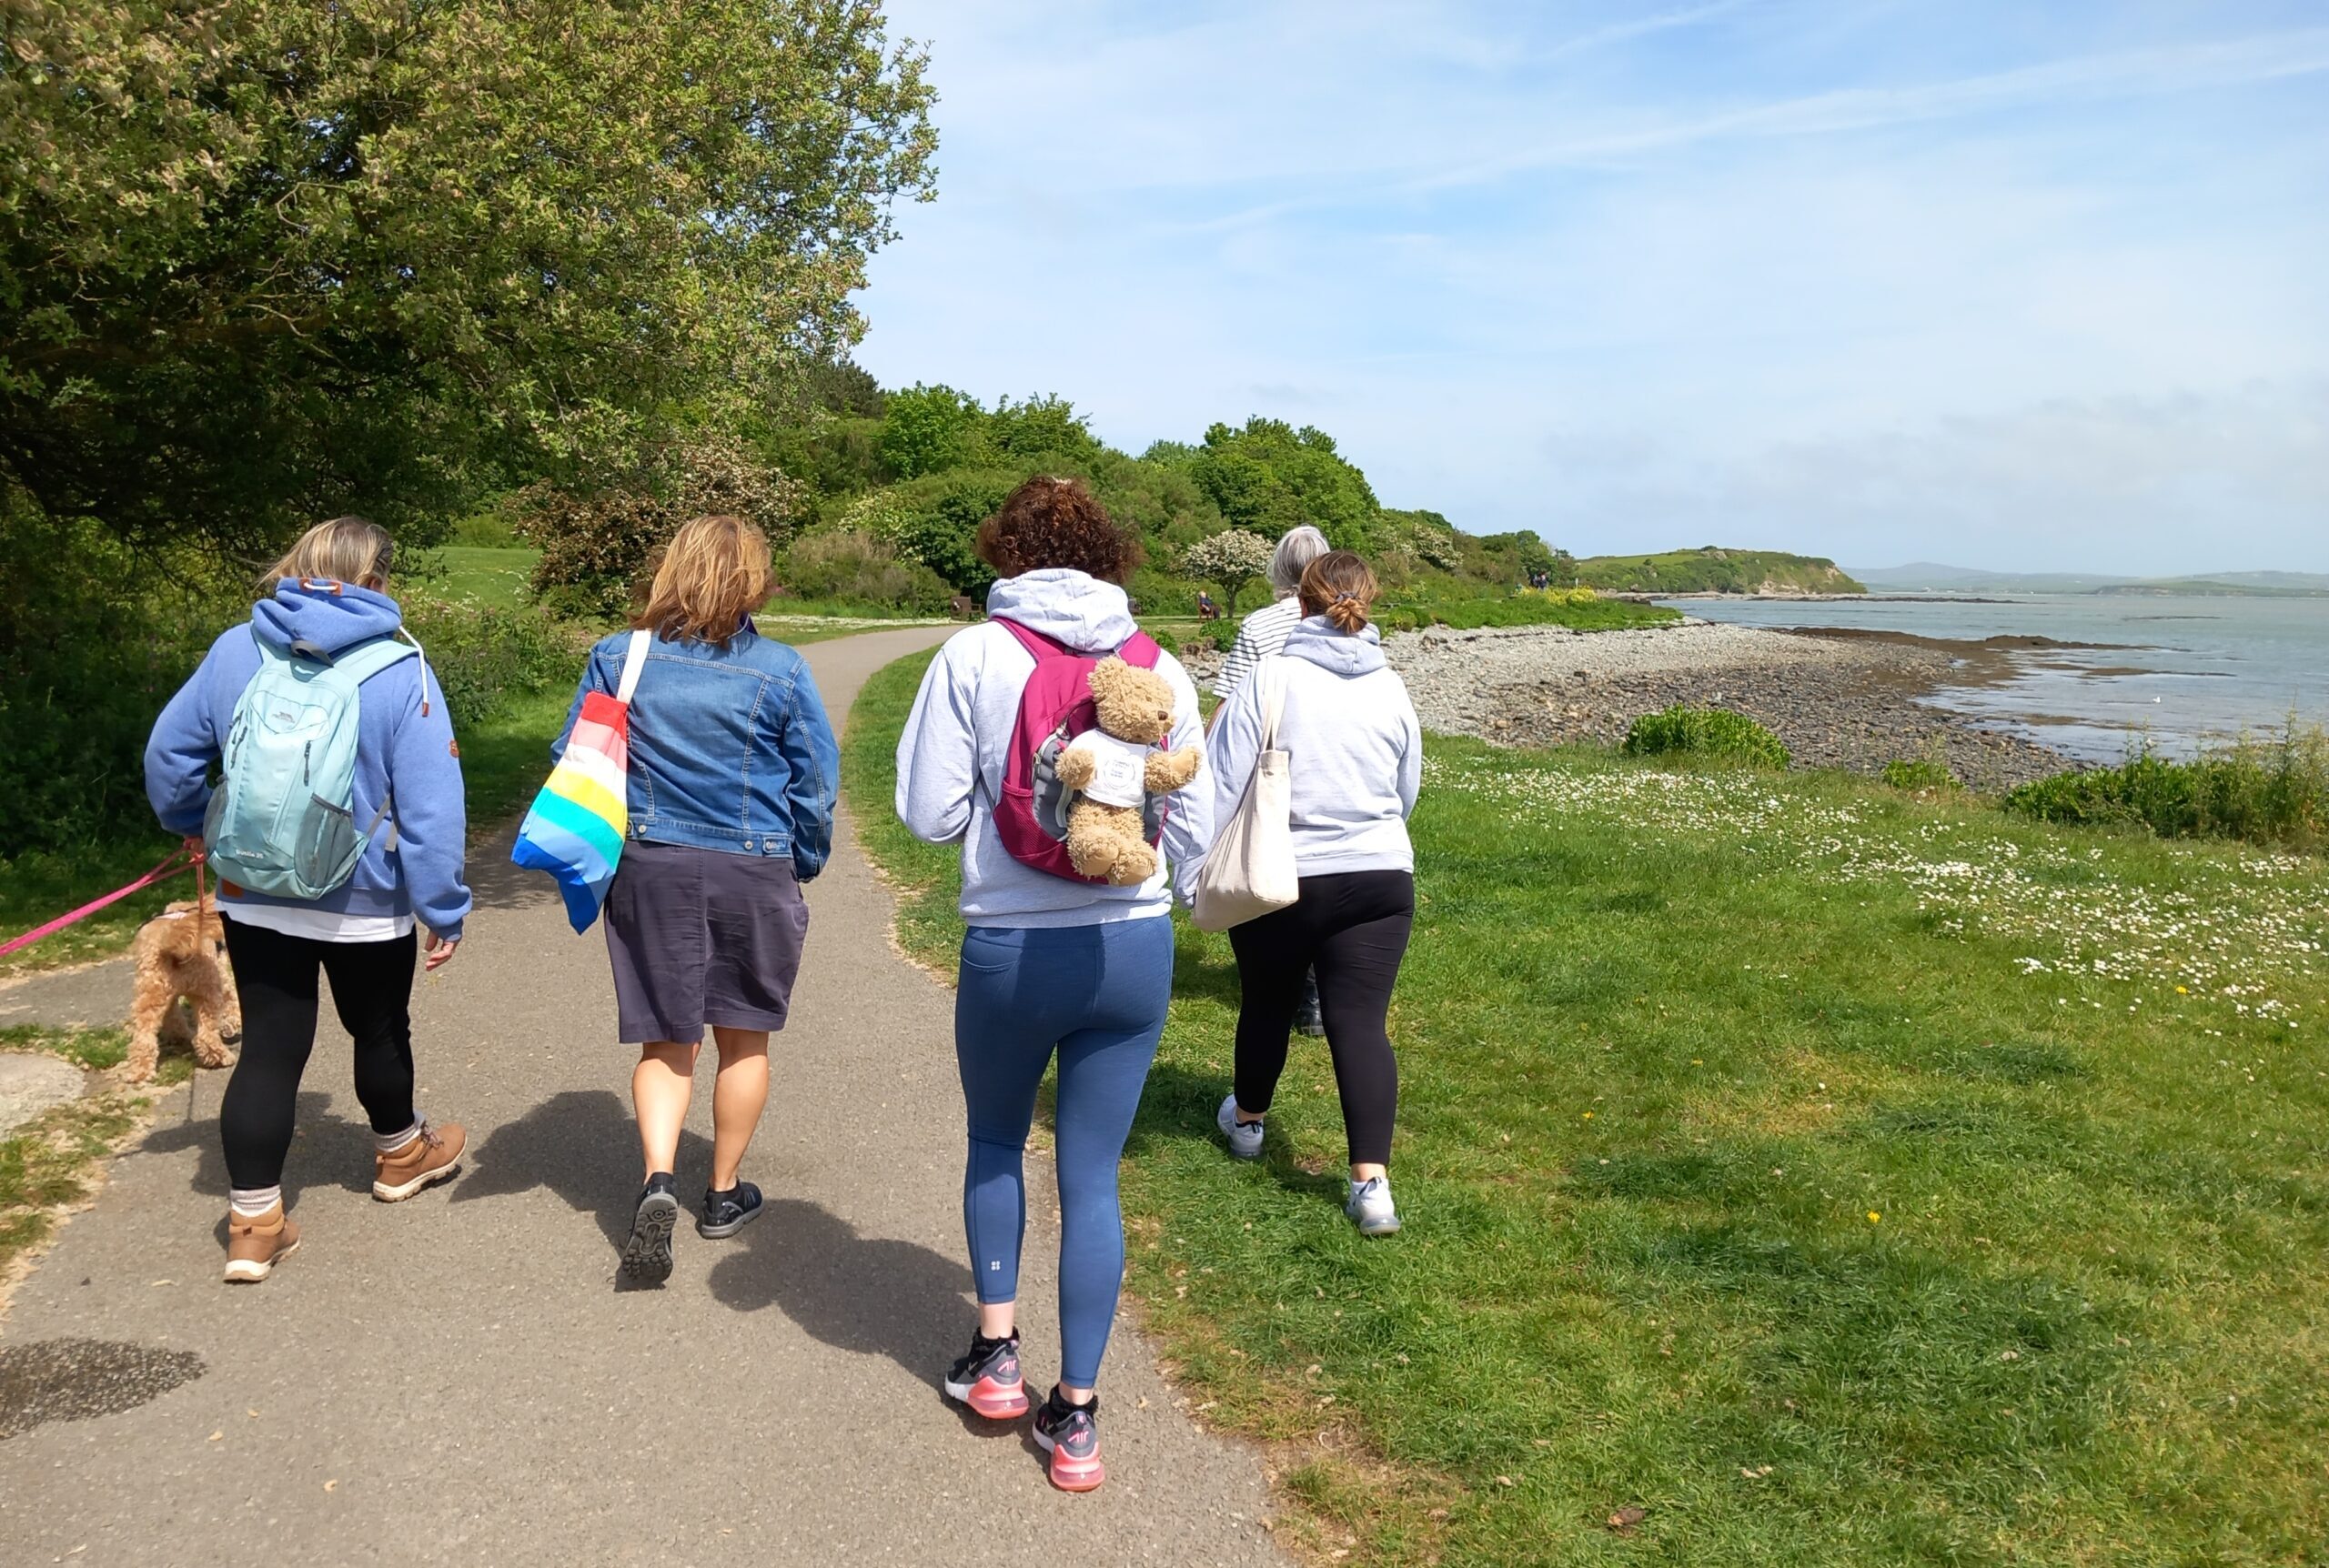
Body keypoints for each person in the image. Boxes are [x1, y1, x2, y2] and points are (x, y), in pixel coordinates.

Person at [895, 475, 1211, 1492]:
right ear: (1110, 555)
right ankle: (1075, 1416)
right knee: (1092, 1176)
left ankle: (995, 1359)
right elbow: (1195, 824)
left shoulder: (974, 654)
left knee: (996, 1141)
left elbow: (929, 814)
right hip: (1131, 946)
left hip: (1012, 946)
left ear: (1008, 551)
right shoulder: (1160, 665)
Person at [145, 516, 470, 1284]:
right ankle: (400, 1154)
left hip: (255, 889)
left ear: (295, 566)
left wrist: (195, 825)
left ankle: (254, 1225)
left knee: (270, 1047)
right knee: (379, 1029)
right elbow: (432, 806)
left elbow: (169, 757)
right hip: (366, 896)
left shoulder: (238, 648)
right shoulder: (402, 668)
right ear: (378, 580)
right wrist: (442, 906)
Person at [551, 514, 839, 1284]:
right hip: (753, 867)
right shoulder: (781, 669)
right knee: (744, 1038)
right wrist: (805, 858)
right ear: (754, 580)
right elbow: (814, 782)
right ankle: (722, 1193)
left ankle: (658, 1180)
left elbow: (573, 753)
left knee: (665, 1041)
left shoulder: (619, 656)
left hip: (651, 867)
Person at [1205, 550, 1421, 1236]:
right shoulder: (1391, 685)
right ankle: (1371, 1187)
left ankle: (1247, 1125)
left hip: (1283, 872)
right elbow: (1406, 789)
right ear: (1367, 603)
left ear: (1299, 603)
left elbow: (1221, 781)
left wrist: (1193, 872)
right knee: (1360, 1024)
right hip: (1381, 875)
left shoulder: (1270, 678)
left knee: (1267, 1004)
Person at [1207, 525, 1332, 1036]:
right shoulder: (1342, 620)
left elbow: (1229, 702)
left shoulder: (1259, 625)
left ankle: (1280, 982)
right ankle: (1315, 990)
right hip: (1327, 755)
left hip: (1269, 756)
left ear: (1276, 569)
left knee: (1264, 857)